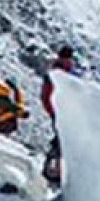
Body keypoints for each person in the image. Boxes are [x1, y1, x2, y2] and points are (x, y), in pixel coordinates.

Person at [40, 45, 78, 184]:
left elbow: (45, 96)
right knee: (63, 143)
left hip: (60, 112)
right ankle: (55, 173)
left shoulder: (54, 71)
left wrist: (52, 111)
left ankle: (52, 170)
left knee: (60, 141)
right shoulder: (64, 72)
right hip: (66, 112)